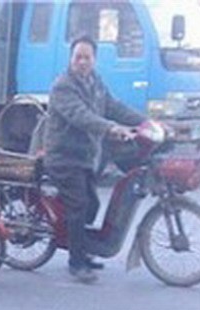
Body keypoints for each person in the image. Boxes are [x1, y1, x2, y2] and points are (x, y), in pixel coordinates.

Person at [43, 35, 144, 282]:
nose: (82, 61)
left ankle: (79, 245)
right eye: (78, 57)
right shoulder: (63, 86)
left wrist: (144, 121)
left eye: (87, 57)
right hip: (63, 157)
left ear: (94, 60)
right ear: (71, 58)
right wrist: (112, 128)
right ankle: (76, 262)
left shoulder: (95, 81)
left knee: (92, 206)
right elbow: (82, 116)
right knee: (79, 206)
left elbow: (114, 106)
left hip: (85, 156)